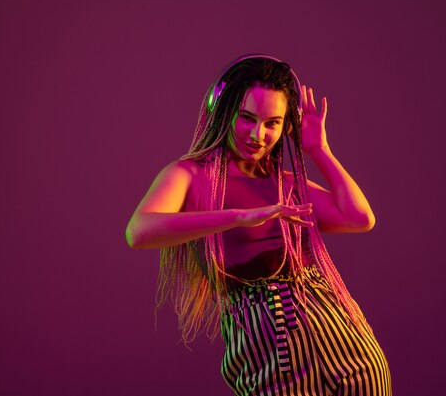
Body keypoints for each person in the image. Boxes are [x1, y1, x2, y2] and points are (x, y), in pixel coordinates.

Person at [125, 55, 391, 396]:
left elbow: (359, 218)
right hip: (265, 354)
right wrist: (238, 216)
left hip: (344, 342)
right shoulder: (189, 175)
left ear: (286, 128)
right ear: (223, 111)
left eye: (272, 124)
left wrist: (320, 150)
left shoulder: (285, 183)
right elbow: (139, 231)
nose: (258, 134)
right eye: (247, 118)